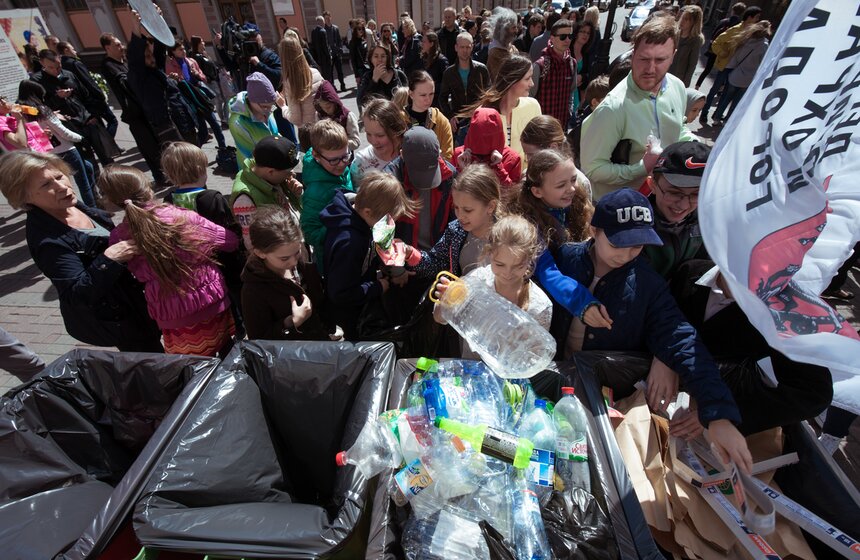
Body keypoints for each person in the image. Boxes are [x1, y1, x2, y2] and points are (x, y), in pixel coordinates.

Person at [552, 189, 752, 473]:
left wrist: (718, 413)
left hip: (603, 395)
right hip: (553, 373)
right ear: (594, 230)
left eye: (637, 247)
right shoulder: (565, 259)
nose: (626, 255)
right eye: (618, 244)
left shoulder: (648, 286)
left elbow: (682, 339)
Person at [0, 151, 162, 352]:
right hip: (123, 319)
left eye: (59, 176)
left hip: (139, 303)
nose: (61, 186)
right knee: (154, 364)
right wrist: (109, 259)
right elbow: (76, 295)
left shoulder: (73, 205)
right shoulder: (48, 242)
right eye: (46, 185)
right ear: (24, 197)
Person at [670, 258, 833, 436]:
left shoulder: (776, 315)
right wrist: (661, 357)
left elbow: (814, 393)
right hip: (655, 382)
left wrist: (726, 414)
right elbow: (659, 319)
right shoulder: (690, 272)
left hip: (708, 395)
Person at [99, 165, 239, 357]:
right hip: (212, 300)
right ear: (148, 188)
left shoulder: (118, 237)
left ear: (113, 201)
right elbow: (229, 241)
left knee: (195, 367)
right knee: (226, 351)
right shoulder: (181, 216)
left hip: (172, 315)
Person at [580, 16, 694, 200]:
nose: (650, 68)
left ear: (673, 56)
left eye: (660, 60)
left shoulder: (677, 87)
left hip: (657, 200)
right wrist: (642, 167)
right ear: (633, 55)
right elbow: (592, 169)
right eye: (644, 58)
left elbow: (678, 128)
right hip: (617, 207)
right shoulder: (613, 108)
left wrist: (694, 144)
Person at [433, 215, 553, 359]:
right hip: (472, 371)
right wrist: (446, 302)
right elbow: (440, 318)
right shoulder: (476, 281)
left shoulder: (539, 305)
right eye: (500, 264)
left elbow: (535, 358)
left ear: (531, 258)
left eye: (518, 266)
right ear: (489, 253)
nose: (507, 273)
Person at [321, 171, 420, 340]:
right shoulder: (350, 243)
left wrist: (394, 270)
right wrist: (378, 287)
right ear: (367, 212)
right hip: (348, 315)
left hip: (361, 293)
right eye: (387, 219)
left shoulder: (361, 218)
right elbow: (340, 293)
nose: (390, 224)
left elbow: (381, 244)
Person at [161, 141, 245, 336]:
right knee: (235, 304)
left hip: (195, 268)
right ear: (201, 169)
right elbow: (231, 234)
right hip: (225, 264)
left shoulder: (169, 199)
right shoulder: (212, 198)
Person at [242, 206, 340, 341]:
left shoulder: (299, 258)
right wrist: (291, 322)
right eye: (284, 258)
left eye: (297, 252)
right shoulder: (253, 291)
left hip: (319, 340)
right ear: (260, 253)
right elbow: (258, 339)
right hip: (295, 356)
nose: (294, 261)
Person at [408, 163, 501, 280]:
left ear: (491, 206)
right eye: (456, 208)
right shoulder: (455, 230)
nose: (460, 215)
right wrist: (410, 254)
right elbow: (437, 263)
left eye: (468, 210)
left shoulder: (508, 236)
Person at [16, 80, 97, 208]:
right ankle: (93, 210)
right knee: (83, 183)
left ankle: (86, 204)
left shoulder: (19, 113)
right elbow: (63, 132)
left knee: (87, 168)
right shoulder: (42, 110)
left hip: (47, 154)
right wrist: (81, 138)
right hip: (67, 150)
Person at [100, 32, 166, 184]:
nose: (121, 47)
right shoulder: (108, 65)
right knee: (148, 146)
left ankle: (163, 174)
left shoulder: (124, 62)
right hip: (134, 113)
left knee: (157, 143)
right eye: (117, 45)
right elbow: (126, 82)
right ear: (107, 47)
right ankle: (160, 177)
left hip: (145, 109)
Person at [640, 141, 710, 279]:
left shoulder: (708, 221)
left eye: (696, 194)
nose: (683, 205)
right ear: (652, 184)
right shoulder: (635, 228)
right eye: (674, 193)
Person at [383, 127, 457, 251]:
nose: (425, 182)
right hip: (403, 260)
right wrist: (397, 268)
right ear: (402, 155)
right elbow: (383, 230)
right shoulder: (390, 180)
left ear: (438, 153)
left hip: (437, 255)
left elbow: (454, 221)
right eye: (419, 172)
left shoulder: (449, 176)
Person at [464, 54, 540, 170]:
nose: (532, 84)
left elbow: (540, 149)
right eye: (527, 78)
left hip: (526, 181)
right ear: (512, 80)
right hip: (493, 182)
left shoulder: (533, 106)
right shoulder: (483, 114)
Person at [231, 135, 302, 251]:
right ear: (270, 172)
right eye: (288, 171)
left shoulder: (271, 178)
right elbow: (252, 243)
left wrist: (296, 195)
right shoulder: (245, 199)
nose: (291, 174)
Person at [300, 119, 355, 266]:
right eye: (334, 160)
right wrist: (339, 221)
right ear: (317, 156)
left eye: (345, 156)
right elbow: (310, 233)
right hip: (334, 259)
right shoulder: (315, 194)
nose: (342, 163)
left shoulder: (338, 167)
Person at [699, 5, 762, 126]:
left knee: (725, 94)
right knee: (714, 90)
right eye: (757, 17)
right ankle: (704, 113)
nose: (758, 20)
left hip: (737, 69)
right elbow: (716, 43)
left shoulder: (753, 33)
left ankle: (716, 116)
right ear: (749, 17)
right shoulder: (735, 29)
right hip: (725, 66)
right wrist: (722, 53)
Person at [166, 42, 229, 152]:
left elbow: (203, 78)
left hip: (199, 97)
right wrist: (174, 79)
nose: (183, 51)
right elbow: (170, 85)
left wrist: (197, 74)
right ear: (173, 52)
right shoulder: (170, 65)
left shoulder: (192, 61)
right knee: (202, 130)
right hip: (187, 100)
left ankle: (223, 149)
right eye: (180, 50)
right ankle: (195, 152)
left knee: (215, 124)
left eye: (184, 49)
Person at [711, 21, 771, 124]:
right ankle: (727, 120)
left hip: (736, 74)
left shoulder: (745, 40)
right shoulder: (764, 45)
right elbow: (763, 63)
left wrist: (729, 70)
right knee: (737, 102)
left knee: (726, 98)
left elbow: (736, 57)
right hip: (749, 78)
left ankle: (717, 118)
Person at [519, 115, 593, 198]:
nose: (529, 160)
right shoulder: (527, 176)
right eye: (526, 154)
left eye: (532, 154)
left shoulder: (581, 182)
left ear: (553, 147)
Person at [57, 41, 119, 138]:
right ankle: (109, 144)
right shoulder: (75, 63)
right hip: (92, 98)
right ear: (66, 50)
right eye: (72, 49)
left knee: (98, 124)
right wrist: (100, 95)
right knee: (112, 121)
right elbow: (88, 81)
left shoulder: (62, 66)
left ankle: (110, 147)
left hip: (81, 101)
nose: (75, 51)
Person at [439, 32, 490, 146]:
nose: (465, 50)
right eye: (462, 47)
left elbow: (489, 94)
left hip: (478, 119)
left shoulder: (481, 70)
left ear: (472, 47)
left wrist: (481, 110)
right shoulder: (449, 73)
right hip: (459, 122)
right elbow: (442, 98)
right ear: (456, 47)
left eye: (468, 47)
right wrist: (450, 116)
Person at [453, 107, 521, 189]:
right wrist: (462, 170)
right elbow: (450, 194)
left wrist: (499, 168)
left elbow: (513, 196)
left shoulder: (512, 159)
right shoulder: (460, 156)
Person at [350, 98, 408, 183]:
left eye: (380, 135)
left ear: (395, 131)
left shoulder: (411, 152)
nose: (373, 141)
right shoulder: (361, 163)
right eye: (368, 134)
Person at [227, 72, 280, 165]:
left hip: (274, 164)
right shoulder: (237, 122)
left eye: (271, 106)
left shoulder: (267, 109)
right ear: (252, 101)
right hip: (255, 170)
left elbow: (275, 134)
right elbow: (249, 156)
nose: (269, 110)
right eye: (265, 107)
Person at [532, 19, 577, 129]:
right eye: (562, 37)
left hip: (562, 126)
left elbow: (571, 91)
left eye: (570, 36)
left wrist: (569, 111)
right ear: (552, 38)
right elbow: (531, 97)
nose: (567, 40)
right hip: (542, 127)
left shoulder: (572, 63)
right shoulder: (541, 65)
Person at [279, 30, 325, 133]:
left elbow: (296, 119)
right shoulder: (315, 72)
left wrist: (283, 107)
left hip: (308, 132)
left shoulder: (290, 82)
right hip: (323, 125)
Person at [404, 70, 453, 161]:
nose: (428, 99)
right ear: (411, 94)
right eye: (423, 95)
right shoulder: (399, 120)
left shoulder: (441, 120)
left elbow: (448, 155)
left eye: (431, 94)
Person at [695, 2, 746, 90]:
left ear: (732, 10)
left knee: (707, 69)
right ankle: (719, 89)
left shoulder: (724, 21)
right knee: (722, 72)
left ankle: (697, 86)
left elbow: (714, 34)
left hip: (716, 49)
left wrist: (711, 47)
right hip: (728, 52)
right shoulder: (740, 26)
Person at [190, 35, 229, 124]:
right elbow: (199, 70)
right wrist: (206, 78)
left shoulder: (204, 54)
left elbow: (213, 65)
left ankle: (225, 118)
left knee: (224, 98)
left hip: (217, 79)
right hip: (210, 81)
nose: (204, 43)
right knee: (219, 100)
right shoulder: (196, 57)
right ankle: (223, 119)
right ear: (198, 44)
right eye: (202, 41)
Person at [356, 43, 408, 107]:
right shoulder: (367, 77)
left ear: (387, 58)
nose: (380, 60)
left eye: (383, 56)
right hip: (378, 116)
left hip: (398, 115)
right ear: (371, 59)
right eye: (376, 56)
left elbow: (409, 97)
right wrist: (374, 80)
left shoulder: (399, 74)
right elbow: (361, 102)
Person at [314, 80, 360, 150]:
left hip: (345, 156)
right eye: (322, 107)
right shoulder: (319, 115)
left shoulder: (347, 116)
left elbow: (356, 141)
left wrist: (338, 144)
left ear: (334, 102)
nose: (325, 110)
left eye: (328, 107)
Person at [669, 5, 705, 87]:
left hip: (678, 79)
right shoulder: (675, 33)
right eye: (682, 17)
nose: (682, 21)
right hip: (665, 73)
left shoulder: (696, 40)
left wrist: (685, 85)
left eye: (686, 19)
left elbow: (692, 65)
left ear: (694, 22)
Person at [486, 7, 520, 79]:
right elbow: (502, 79)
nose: (516, 30)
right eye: (513, 27)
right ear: (504, 30)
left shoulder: (511, 48)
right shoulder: (495, 53)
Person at [569, 20, 594, 115]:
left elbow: (588, 74)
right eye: (582, 31)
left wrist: (582, 77)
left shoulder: (586, 54)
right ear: (576, 33)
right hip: (566, 96)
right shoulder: (567, 51)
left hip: (578, 97)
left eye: (588, 33)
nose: (585, 35)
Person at [421, 32, 449, 107]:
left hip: (437, 100)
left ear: (431, 44)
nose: (422, 44)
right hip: (426, 97)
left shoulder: (441, 60)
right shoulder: (423, 58)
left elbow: (446, 82)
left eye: (424, 42)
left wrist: (432, 85)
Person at [323, 11, 347, 91]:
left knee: (340, 71)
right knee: (331, 73)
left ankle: (342, 85)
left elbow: (339, 40)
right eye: (326, 18)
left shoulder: (335, 28)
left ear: (331, 17)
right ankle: (333, 87)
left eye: (328, 17)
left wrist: (340, 49)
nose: (328, 19)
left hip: (337, 53)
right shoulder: (323, 29)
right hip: (329, 54)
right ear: (324, 19)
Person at [310, 16, 333, 84]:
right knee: (327, 76)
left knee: (321, 75)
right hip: (325, 58)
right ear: (321, 22)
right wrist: (329, 57)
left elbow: (313, 45)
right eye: (323, 22)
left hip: (317, 58)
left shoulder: (313, 31)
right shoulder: (323, 31)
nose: (324, 23)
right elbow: (325, 46)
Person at [350, 19, 370, 88]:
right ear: (355, 30)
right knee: (361, 89)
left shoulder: (364, 40)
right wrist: (356, 75)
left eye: (362, 29)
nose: (361, 30)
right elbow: (353, 60)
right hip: (360, 69)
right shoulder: (353, 42)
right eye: (359, 29)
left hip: (367, 68)